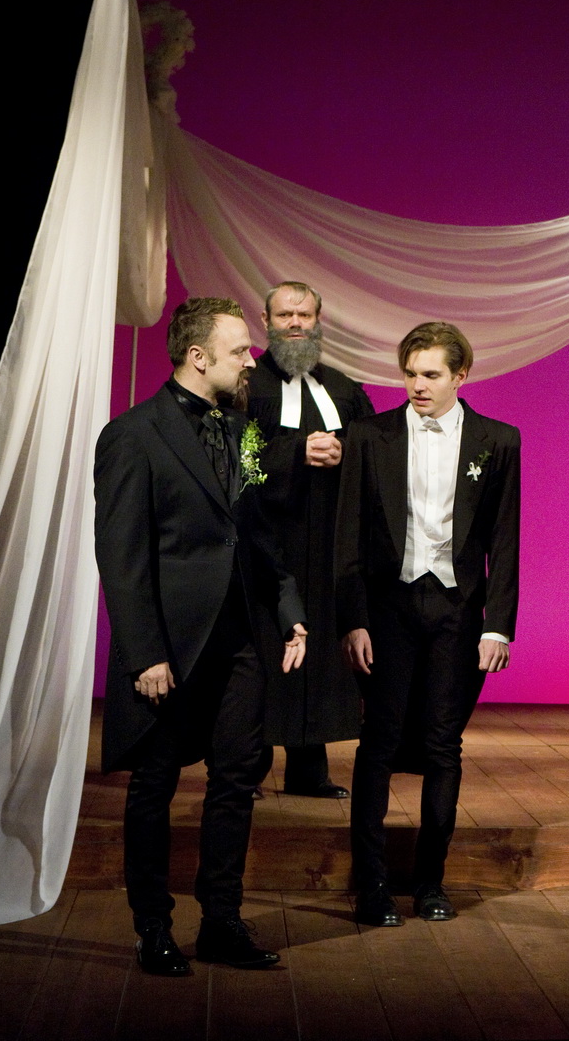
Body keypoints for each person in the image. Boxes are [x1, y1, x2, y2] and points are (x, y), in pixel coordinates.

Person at [95, 296, 307, 975]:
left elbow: (259, 532)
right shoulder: (133, 435)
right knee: (155, 783)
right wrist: (144, 653)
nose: (250, 360)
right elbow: (122, 556)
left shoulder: (243, 431)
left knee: (238, 778)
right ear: (197, 356)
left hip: (238, 639)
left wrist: (289, 609)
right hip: (170, 646)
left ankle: (221, 922)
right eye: (239, 350)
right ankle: (153, 928)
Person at [336, 322, 521, 927]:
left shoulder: (499, 440)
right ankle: (372, 886)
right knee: (379, 742)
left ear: (460, 376)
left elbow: (505, 538)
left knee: (444, 744)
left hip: (457, 612)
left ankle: (430, 883)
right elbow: (348, 535)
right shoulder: (369, 436)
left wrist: (498, 625)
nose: (417, 385)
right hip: (387, 609)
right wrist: (353, 619)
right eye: (410, 373)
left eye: (431, 374)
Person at [244, 281, 371, 799]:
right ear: (266, 322)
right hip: (265, 545)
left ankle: (309, 772)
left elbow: (371, 454)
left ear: (319, 321)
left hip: (325, 549)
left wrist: (346, 454)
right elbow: (237, 457)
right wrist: (297, 451)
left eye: (304, 315)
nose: (295, 323)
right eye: (284, 315)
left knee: (317, 652)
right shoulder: (246, 386)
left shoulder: (343, 388)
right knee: (262, 657)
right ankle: (246, 771)